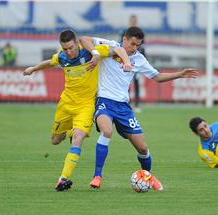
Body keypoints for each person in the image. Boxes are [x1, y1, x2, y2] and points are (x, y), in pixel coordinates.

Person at [79, 26, 199, 190]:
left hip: (123, 108)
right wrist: (95, 53)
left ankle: (148, 177)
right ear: (125, 39)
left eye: (138, 45)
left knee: (142, 147)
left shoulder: (139, 59)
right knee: (107, 131)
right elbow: (84, 39)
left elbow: (156, 77)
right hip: (104, 101)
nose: (134, 48)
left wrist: (180, 74)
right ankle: (97, 176)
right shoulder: (110, 45)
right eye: (133, 44)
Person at [23, 29, 131, 191]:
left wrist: (126, 61)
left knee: (78, 137)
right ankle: (70, 132)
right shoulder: (62, 56)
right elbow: (50, 62)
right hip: (66, 104)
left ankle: (62, 179)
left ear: (77, 43)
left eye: (71, 47)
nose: (69, 51)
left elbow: (117, 49)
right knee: (55, 140)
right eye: (65, 48)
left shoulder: (90, 53)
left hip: (86, 105)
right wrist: (33, 68)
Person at [119, 15, 145, 113]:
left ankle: (137, 104)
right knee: (126, 83)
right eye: (132, 20)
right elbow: (119, 45)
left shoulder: (139, 32)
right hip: (125, 60)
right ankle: (127, 102)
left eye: (135, 20)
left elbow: (142, 47)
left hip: (136, 61)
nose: (133, 22)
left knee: (136, 83)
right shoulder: (125, 32)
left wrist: (142, 60)